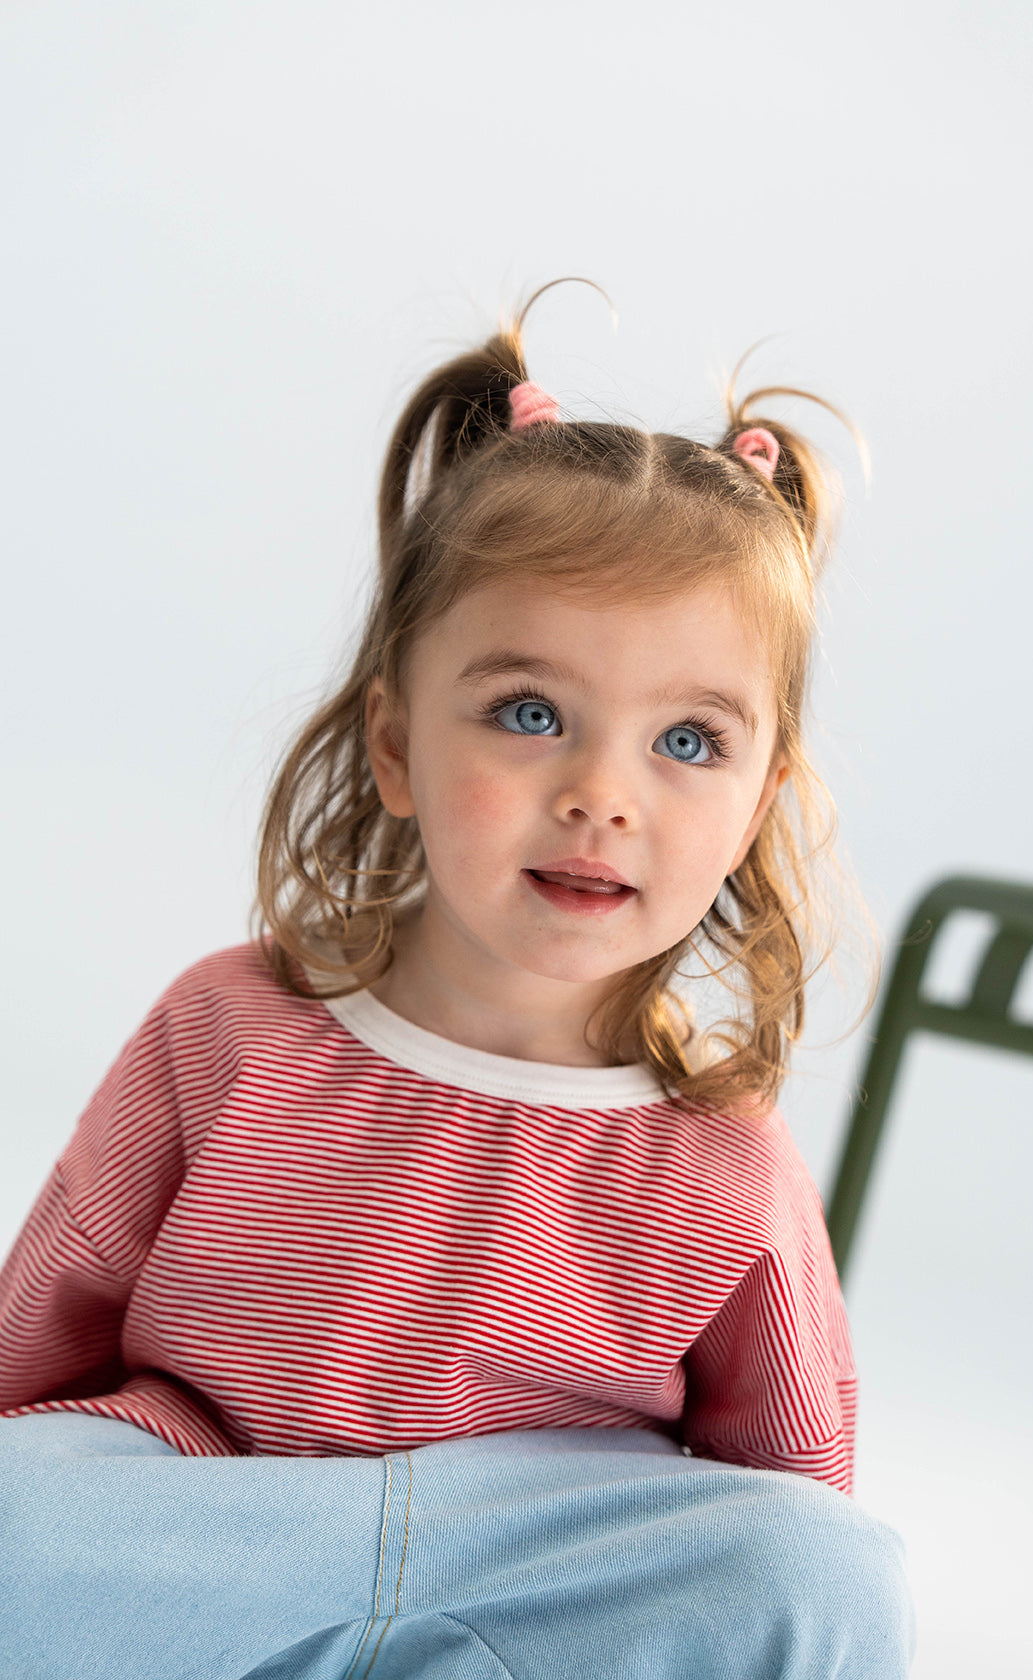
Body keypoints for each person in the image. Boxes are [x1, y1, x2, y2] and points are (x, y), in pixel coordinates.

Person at [0, 280, 915, 1679]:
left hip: (524, 1574)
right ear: (393, 744)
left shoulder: (728, 1159)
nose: (603, 795)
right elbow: (41, 1337)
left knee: (827, 1569)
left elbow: (781, 1491)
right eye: (529, 714)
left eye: (688, 742)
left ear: (759, 798)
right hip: (214, 1533)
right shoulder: (231, 1026)